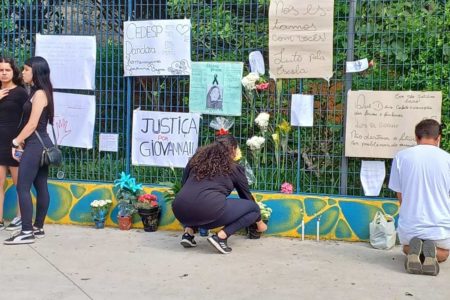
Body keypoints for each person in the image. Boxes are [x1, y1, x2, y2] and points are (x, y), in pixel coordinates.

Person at [172, 134, 267, 254]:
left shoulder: (195, 161)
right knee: (253, 209)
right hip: (207, 212)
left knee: (193, 199)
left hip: (180, 210)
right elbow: (246, 197)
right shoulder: (234, 168)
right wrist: (259, 222)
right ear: (233, 149)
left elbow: (184, 184)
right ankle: (220, 237)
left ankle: (188, 233)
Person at [389, 119, 450, 276]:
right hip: (440, 227)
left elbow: (400, 195)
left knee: (405, 248)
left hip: (410, 227)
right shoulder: (447, 159)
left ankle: (414, 250)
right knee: (443, 254)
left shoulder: (401, 157)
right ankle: (431, 253)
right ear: (439, 138)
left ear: (416, 138)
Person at [4, 56, 55, 245]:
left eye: (26, 69)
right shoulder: (38, 92)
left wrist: (16, 141)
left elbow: (33, 124)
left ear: (36, 72)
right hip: (39, 144)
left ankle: (26, 231)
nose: (23, 72)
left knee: (22, 187)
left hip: (35, 145)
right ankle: (38, 227)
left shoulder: (40, 93)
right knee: (41, 186)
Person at [0, 57, 28, 231]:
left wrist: (21, 142)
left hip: (15, 143)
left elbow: (26, 119)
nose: (3, 73)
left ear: (13, 71)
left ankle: (20, 218)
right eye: (1, 70)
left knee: (20, 184)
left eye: (7, 70)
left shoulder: (20, 92)